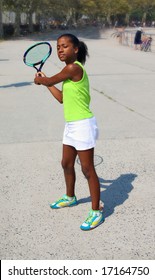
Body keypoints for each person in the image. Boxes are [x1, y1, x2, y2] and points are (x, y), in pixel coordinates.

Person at [34, 33, 104, 231]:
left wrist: (42, 80)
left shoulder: (73, 68)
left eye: (64, 46)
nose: (60, 50)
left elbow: (49, 80)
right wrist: (46, 84)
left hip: (83, 124)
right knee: (66, 163)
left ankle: (96, 211)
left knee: (87, 169)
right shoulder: (68, 73)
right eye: (58, 47)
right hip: (72, 125)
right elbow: (62, 99)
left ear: (76, 49)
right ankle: (70, 197)